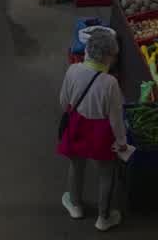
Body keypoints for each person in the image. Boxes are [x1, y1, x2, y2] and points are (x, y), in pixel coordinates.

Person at [58, 27, 127, 232]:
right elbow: (115, 119)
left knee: (76, 166)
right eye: (114, 55)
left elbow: (63, 102)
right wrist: (122, 143)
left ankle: (75, 205)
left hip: (77, 125)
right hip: (101, 132)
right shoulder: (110, 83)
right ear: (107, 56)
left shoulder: (73, 70)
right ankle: (103, 218)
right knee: (106, 173)